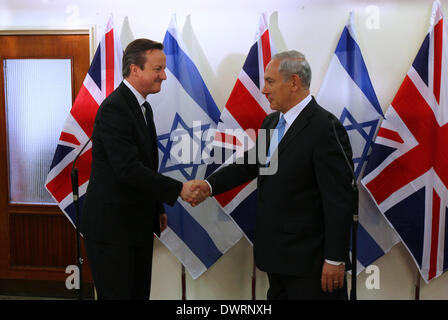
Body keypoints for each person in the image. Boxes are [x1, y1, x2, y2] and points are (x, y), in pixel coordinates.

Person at [191, 51, 355, 300]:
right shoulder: (271, 122)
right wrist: (209, 184)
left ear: (294, 82)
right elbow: (252, 163)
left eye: (270, 81)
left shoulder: (325, 128)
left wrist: (335, 258)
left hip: (310, 263)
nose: (264, 90)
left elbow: (339, 200)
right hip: (276, 258)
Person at [81, 38, 202, 300]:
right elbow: (128, 169)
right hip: (112, 231)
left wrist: (156, 207)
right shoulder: (115, 108)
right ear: (135, 69)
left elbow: (145, 164)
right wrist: (179, 189)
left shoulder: (141, 106)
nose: (164, 76)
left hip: (134, 225)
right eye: (157, 69)